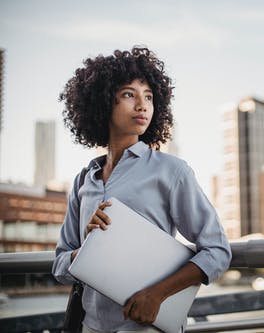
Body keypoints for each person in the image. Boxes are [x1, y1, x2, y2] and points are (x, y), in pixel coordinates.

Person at [52, 47, 232, 333]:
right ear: (102, 103)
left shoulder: (172, 171)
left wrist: (157, 294)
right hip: (89, 326)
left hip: (145, 327)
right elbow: (60, 265)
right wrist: (87, 248)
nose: (142, 104)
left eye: (148, 96)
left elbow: (218, 251)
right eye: (128, 94)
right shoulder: (83, 180)